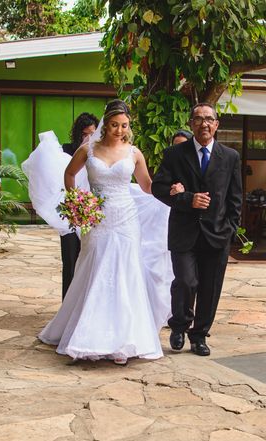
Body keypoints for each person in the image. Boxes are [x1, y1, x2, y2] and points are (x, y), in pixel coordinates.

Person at [38, 100, 181, 365]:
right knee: (95, 268)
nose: (119, 130)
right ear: (106, 124)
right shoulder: (89, 148)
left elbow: (148, 186)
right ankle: (87, 333)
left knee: (126, 272)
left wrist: (171, 189)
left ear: (129, 126)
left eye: (124, 125)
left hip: (127, 219)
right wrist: (79, 201)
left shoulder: (134, 153)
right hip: (97, 218)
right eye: (114, 125)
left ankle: (124, 339)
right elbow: (69, 174)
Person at [152, 103, 242, 356]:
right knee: (186, 281)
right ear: (191, 123)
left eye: (209, 119)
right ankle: (179, 326)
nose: (204, 124)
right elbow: (158, 188)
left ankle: (200, 335)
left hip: (218, 234)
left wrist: (230, 230)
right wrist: (186, 199)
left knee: (210, 288)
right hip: (184, 231)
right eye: (199, 119)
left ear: (216, 124)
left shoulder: (231, 157)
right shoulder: (174, 154)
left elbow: (235, 198)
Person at [59, 113, 99, 300]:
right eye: (85, 134)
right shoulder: (66, 151)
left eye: (93, 133)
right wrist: (75, 202)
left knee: (88, 260)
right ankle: (67, 302)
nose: (89, 138)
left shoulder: (99, 153)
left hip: (93, 214)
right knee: (70, 259)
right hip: (72, 213)